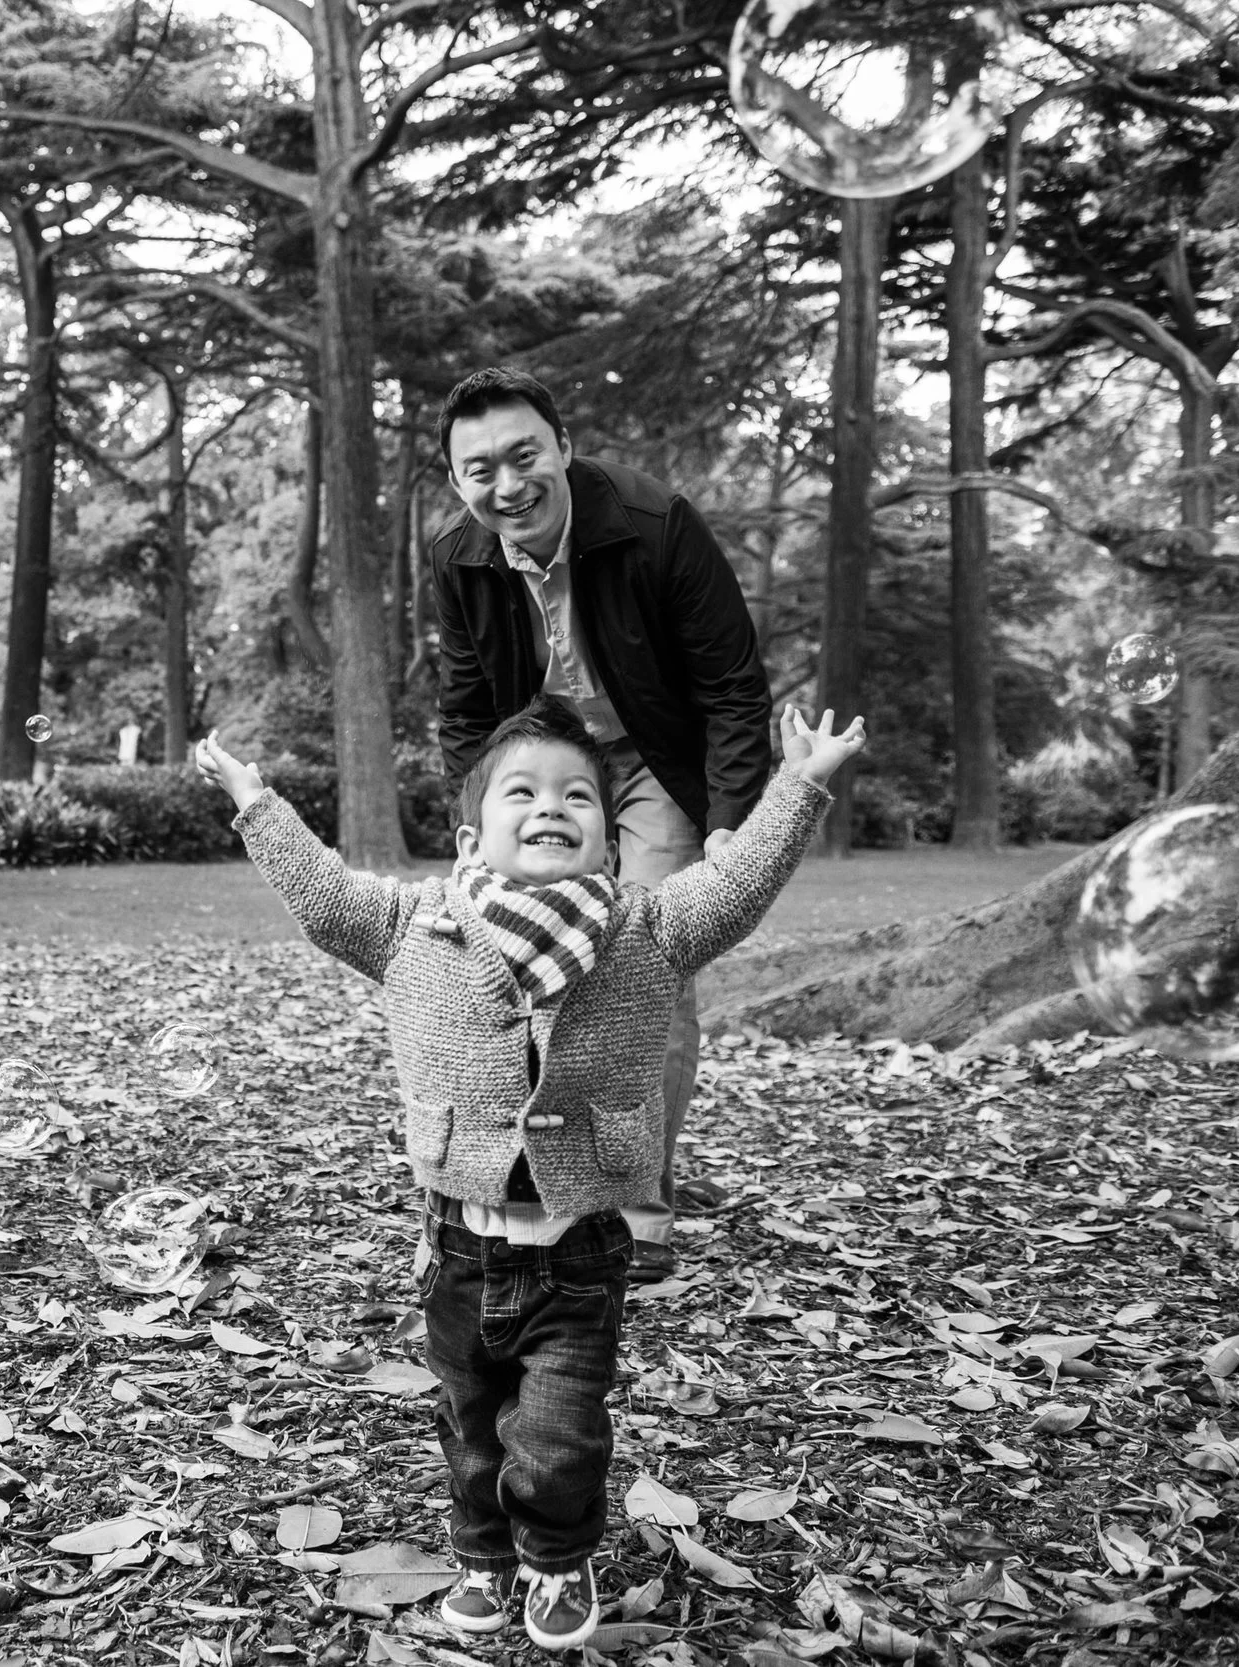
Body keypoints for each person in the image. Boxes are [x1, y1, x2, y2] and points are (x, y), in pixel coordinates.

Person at [196, 697, 862, 1651]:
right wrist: (256, 801)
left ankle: (555, 1554)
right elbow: (321, 890)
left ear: (607, 837)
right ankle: (481, 1551)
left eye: (578, 795)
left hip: (580, 1250)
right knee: (470, 1424)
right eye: (525, 790)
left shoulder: (649, 927)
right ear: (474, 833)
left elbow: (741, 882)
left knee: (557, 1432)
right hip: (458, 1248)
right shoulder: (412, 924)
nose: (553, 805)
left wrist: (800, 784)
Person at [429, 366, 774, 1284]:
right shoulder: (457, 554)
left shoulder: (657, 523)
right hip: (546, 765)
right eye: (480, 470)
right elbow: (465, 703)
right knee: (509, 968)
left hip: (655, 758)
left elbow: (733, 685)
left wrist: (730, 822)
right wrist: (479, 813)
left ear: (564, 449)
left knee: (643, 964)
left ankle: (635, 1214)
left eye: (524, 455)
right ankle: (524, 1184)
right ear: (458, 482)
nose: (508, 485)